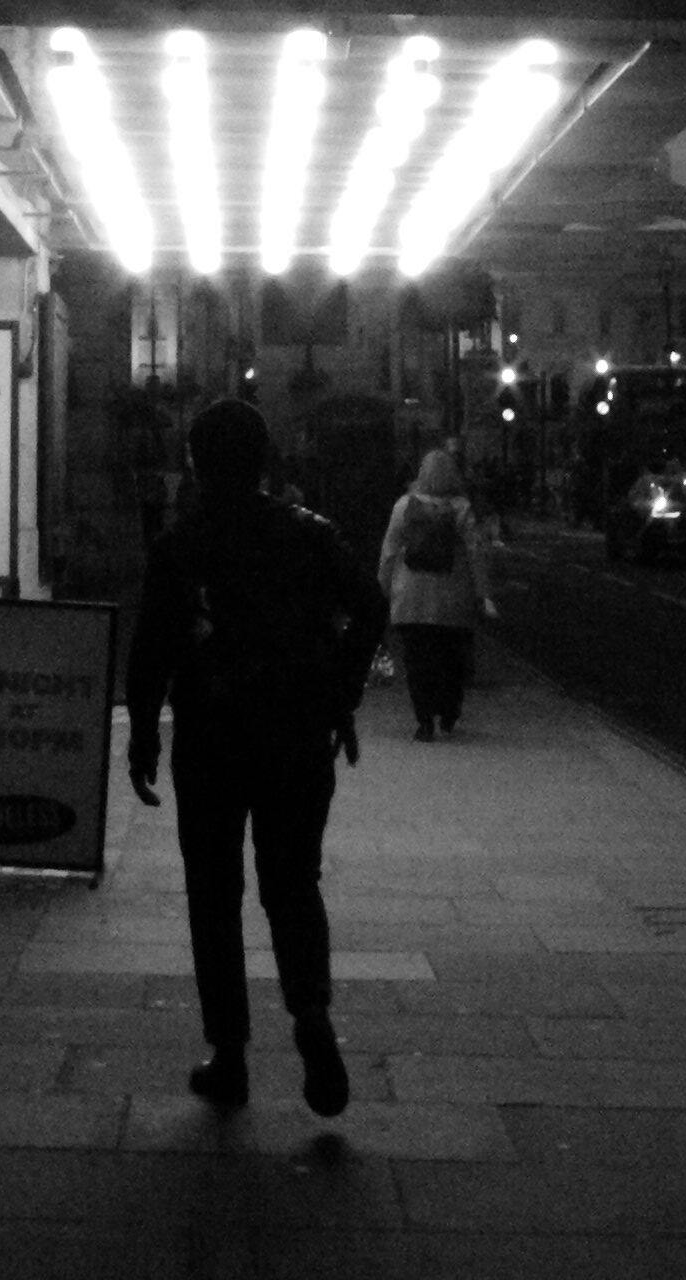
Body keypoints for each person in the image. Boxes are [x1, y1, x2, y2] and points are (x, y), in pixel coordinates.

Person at [126, 399, 388, 1119]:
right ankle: (311, 1019)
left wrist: (144, 732)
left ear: (197, 464)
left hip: (211, 736)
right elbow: (371, 606)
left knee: (215, 894)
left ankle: (230, 1053)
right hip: (296, 735)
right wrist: (342, 686)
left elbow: (151, 648)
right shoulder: (309, 536)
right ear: (267, 458)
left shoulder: (182, 546)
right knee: (292, 883)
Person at [378, 444, 498, 738]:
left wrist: (382, 586)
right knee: (451, 660)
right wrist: (483, 594)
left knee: (417, 661)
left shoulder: (404, 506)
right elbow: (475, 553)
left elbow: (390, 550)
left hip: (411, 597)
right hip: (452, 599)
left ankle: (424, 721)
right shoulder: (461, 508)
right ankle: (448, 713)